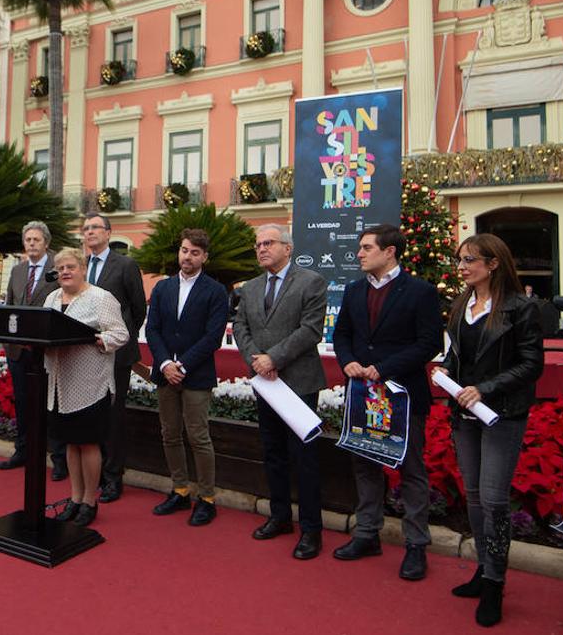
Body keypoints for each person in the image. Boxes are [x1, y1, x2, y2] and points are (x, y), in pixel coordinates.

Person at [434, 234, 544, 627]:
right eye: (459, 260)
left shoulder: (521, 308)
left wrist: (486, 389)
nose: (461, 267)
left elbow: (531, 364)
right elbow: (458, 351)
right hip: (463, 414)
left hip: (501, 414)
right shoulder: (462, 303)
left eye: (469, 260)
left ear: (493, 263)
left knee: (495, 499)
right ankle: (484, 569)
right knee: (476, 496)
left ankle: (496, 581)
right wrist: (447, 368)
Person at [332, 224, 443, 579]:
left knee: (411, 470)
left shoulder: (420, 292)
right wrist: (347, 360)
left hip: (403, 395)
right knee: (364, 466)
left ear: (390, 251)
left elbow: (429, 344)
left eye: (366, 248)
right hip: (362, 395)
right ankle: (367, 533)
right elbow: (343, 335)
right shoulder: (352, 291)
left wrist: (383, 368)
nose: (359, 254)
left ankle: (415, 545)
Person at [232, 223, 328, 559]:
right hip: (265, 383)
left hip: (299, 384)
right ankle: (280, 517)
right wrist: (257, 360)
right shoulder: (250, 288)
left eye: (268, 243)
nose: (261, 249)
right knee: (273, 454)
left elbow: (311, 330)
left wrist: (274, 357)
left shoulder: (311, 281)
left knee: (304, 459)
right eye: (257, 244)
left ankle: (312, 530)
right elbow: (240, 326)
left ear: (288, 248)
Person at [144, 229, 229, 526]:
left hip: (197, 375)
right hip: (165, 374)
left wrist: (183, 366)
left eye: (194, 252)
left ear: (204, 256)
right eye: (184, 250)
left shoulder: (216, 292)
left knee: (198, 437)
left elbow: (212, 337)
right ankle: (179, 490)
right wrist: (166, 363)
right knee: (169, 434)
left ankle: (206, 498)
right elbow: (152, 329)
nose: (187, 257)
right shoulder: (163, 288)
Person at [44, 248, 129, 527]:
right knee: (71, 443)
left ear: (83, 268)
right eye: (60, 268)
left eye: (71, 266)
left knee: (88, 443)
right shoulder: (52, 298)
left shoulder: (100, 298)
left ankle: (89, 502)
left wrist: (93, 339)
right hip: (60, 383)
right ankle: (74, 498)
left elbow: (120, 334)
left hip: (91, 383)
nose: (65, 272)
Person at [80, 212, 146, 503]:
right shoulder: (80, 267)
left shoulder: (125, 265)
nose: (89, 232)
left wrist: (123, 338)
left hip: (117, 354)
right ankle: (92, 473)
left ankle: (112, 477)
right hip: (84, 353)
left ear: (108, 233)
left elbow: (137, 308)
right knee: (91, 414)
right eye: (85, 229)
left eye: (95, 228)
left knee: (113, 416)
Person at [0, 221, 67, 479]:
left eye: (36, 240)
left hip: (47, 350)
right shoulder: (17, 271)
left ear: (46, 243)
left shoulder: (57, 270)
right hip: (18, 351)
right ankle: (23, 451)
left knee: (52, 405)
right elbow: (10, 305)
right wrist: (9, 343)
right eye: (28, 240)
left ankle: (58, 458)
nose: (32, 244)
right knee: (23, 403)